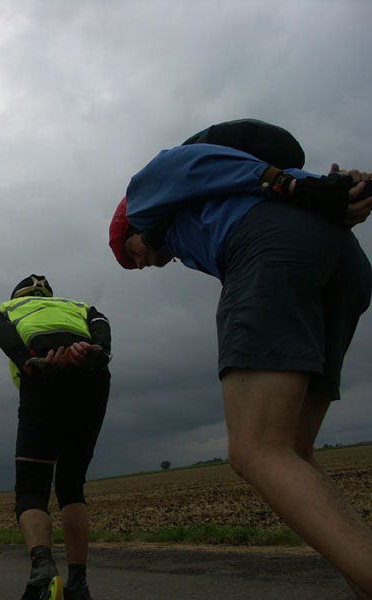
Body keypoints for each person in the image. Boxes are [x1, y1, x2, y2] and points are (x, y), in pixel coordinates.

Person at [109, 131, 372, 598]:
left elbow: (189, 162)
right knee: (293, 449)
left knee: (256, 451)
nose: (146, 264)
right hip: (341, 257)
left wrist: (291, 186)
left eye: (132, 255)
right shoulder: (212, 202)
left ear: (129, 228)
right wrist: (318, 187)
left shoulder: (144, 196)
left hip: (271, 246)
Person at [0, 275, 111, 600]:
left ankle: (42, 566)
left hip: (44, 373)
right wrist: (99, 352)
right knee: (72, 486)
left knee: (31, 488)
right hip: (91, 377)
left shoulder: (7, 308)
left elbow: (1, 332)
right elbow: (101, 322)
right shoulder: (79, 306)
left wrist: (27, 362)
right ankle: (79, 583)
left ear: (18, 295)